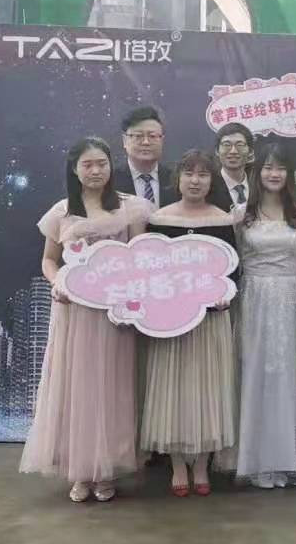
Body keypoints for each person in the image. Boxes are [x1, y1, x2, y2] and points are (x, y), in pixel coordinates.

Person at [20, 137, 150, 503]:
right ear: (75, 170)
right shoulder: (61, 212)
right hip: (75, 312)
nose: (95, 171)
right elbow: (49, 260)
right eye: (87, 165)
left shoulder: (130, 208)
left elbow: (140, 256)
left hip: (115, 313)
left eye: (101, 163)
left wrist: (129, 290)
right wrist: (58, 282)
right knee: (76, 388)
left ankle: (106, 470)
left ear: (111, 166)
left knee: (113, 388)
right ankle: (79, 471)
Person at [140, 150, 238, 497]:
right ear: (178, 178)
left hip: (211, 322)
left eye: (203, 175)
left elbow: (233, 271)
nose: (195, 181)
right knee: (173, 390)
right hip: (171, 324)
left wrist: (226, 295)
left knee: (208, 388)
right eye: (189, 174)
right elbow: (148, 269)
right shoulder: (159, 219)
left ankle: (201, 464)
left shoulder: (223, 220)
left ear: (212, 181)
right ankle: (178, 463)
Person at [233, 142, 296, 488]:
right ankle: (253, 461)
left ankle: (284, 460)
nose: (274, 173)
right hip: (253, 298)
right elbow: (234, 264)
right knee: (254, 374)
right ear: (256, 172)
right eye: (267, 167)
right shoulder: (241, 214)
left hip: (290, 299)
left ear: (290, 174)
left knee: (286, 375)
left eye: (280, 167)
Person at [112, 106, 179, 206]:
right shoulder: (111, 181)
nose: (146, 142)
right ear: (125, 141)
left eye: (152, 136)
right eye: (138, 136)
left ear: (162, 140)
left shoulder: (175, 180)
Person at [211, 123, 255, 212]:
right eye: (226, 145)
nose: (233, 151)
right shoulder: (209, 186)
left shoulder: (259, 184)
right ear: (217, 151)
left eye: (240, 145)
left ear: (250, 151)